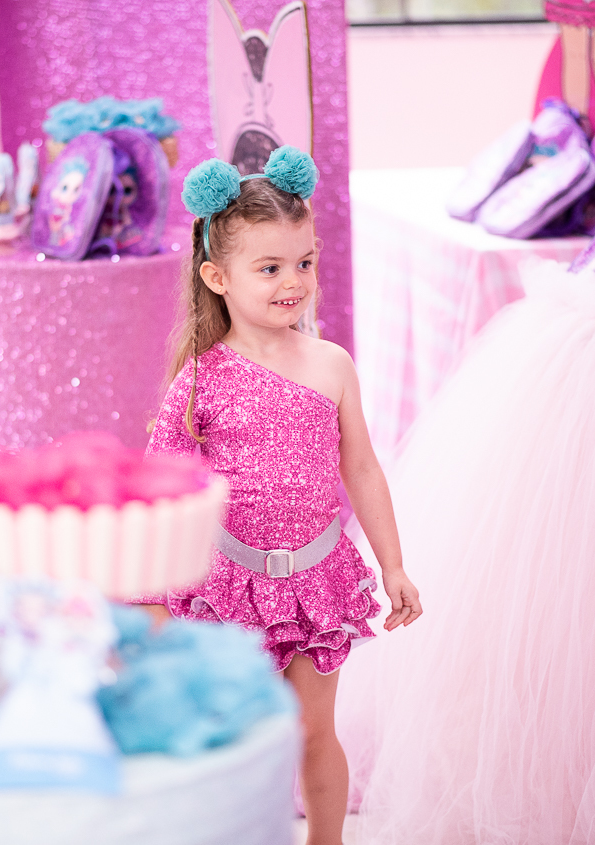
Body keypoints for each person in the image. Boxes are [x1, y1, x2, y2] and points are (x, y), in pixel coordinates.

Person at [141, 146, 422, 845]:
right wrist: (153, 600)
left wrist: (391, 564)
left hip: (316, 581)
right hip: (226, 585)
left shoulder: (331, 365)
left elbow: (362, 469)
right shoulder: (199, 380)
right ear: (217, 276)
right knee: (237, 737)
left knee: (313, 731)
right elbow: (163, 493)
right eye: (269, 268)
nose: (293, 281)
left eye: (304, 262)